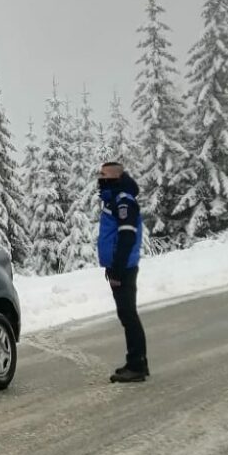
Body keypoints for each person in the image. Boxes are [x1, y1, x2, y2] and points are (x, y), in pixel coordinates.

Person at [97, 161, 148, 383]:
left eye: (104, 176)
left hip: (124, 268)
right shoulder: (115, 200)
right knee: (126, 315)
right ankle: (136, 362)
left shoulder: (124, 201)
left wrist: (117, 269)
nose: (100, 180)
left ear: (116, 178)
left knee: (128, 315)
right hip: (119, 267)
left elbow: (126, 237)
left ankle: (137, 365)